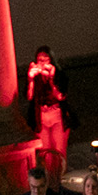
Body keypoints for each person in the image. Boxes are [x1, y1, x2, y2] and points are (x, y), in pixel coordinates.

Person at [24, 46, 69, 178]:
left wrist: (51, 78)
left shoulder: (59, 74)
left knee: (59, 152)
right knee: (46, 154)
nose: (42, 62)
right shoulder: (35, 76)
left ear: (51, 60)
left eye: (46, 59)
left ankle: (61, 180)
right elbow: (29, 97)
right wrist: (30, 79)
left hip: (57, 115)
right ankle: (49, 181)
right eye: (39, 59)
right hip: (41, 117)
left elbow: (61, 96)